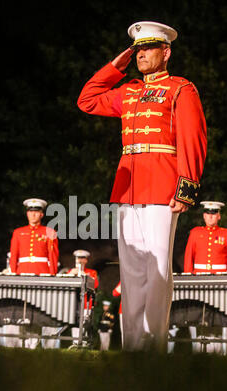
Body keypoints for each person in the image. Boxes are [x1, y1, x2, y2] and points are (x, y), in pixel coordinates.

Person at [77, 21, 207, 351]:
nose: (141, 54)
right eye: (137, 50)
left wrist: (186, 186)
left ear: (166, 52)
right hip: (128, 187)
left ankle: (153, 347)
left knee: (158, 269)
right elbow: (87, 100)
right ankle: (133, 347)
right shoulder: (129, 90)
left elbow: (193, 138)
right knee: (132, 271)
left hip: (163, 185)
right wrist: (116, 66)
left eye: (148, 48)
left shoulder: (180, 88)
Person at [0, 198, 59, 348]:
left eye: (36, 212)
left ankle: (33, 343)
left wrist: (52, 276)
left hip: (41, 274)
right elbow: (14, 255)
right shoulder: (18, 232)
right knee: (21, 310)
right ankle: (19, 344)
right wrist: (13, 273)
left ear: (42, 214)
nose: (33, 215)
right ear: (27, 214)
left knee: (37, 310)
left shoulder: (50, 232)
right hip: (22, 273)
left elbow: (53, 257)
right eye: (30, 212)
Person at [184, 201, 227, 274]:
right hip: (198, 274)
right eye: (207, 213)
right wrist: (188, 275)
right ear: (204, 216)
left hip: (221, 275)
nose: (210, 216)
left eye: (213, 213)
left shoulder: (225, 233)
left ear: (219, 216)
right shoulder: (195, 232)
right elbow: (189, 256)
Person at [67, 249, 99, 346]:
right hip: (74, 303)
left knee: (85, 325)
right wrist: (70, 275)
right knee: (75, 324)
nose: (80, 260)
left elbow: (95, 285)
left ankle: (84, 343)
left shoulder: (92, 272)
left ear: (86, 260)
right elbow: (65, 285)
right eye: (78, 258)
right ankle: (75, 343)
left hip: (86, 304)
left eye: (82, 258)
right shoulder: (71, 271)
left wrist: (83, 275)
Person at [112, 280, 123, 346]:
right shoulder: (125, 277)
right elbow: (115, 293)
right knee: (125, 332)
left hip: (140, 309)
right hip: (124, 309)